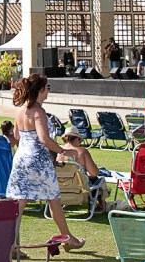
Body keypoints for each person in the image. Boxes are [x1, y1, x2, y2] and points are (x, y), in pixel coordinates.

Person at [5, 74, 85, 249]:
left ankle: (10, 245)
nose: (48, 91)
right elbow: (44, 139)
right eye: (47, 87)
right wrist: (63, 150)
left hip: (21, 158)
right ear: (40, 90)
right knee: (53, 199)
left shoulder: (20, 110)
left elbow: (17, 136)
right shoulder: (38, 111)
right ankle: (68, 238)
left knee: (20, 202)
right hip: (38, 161)